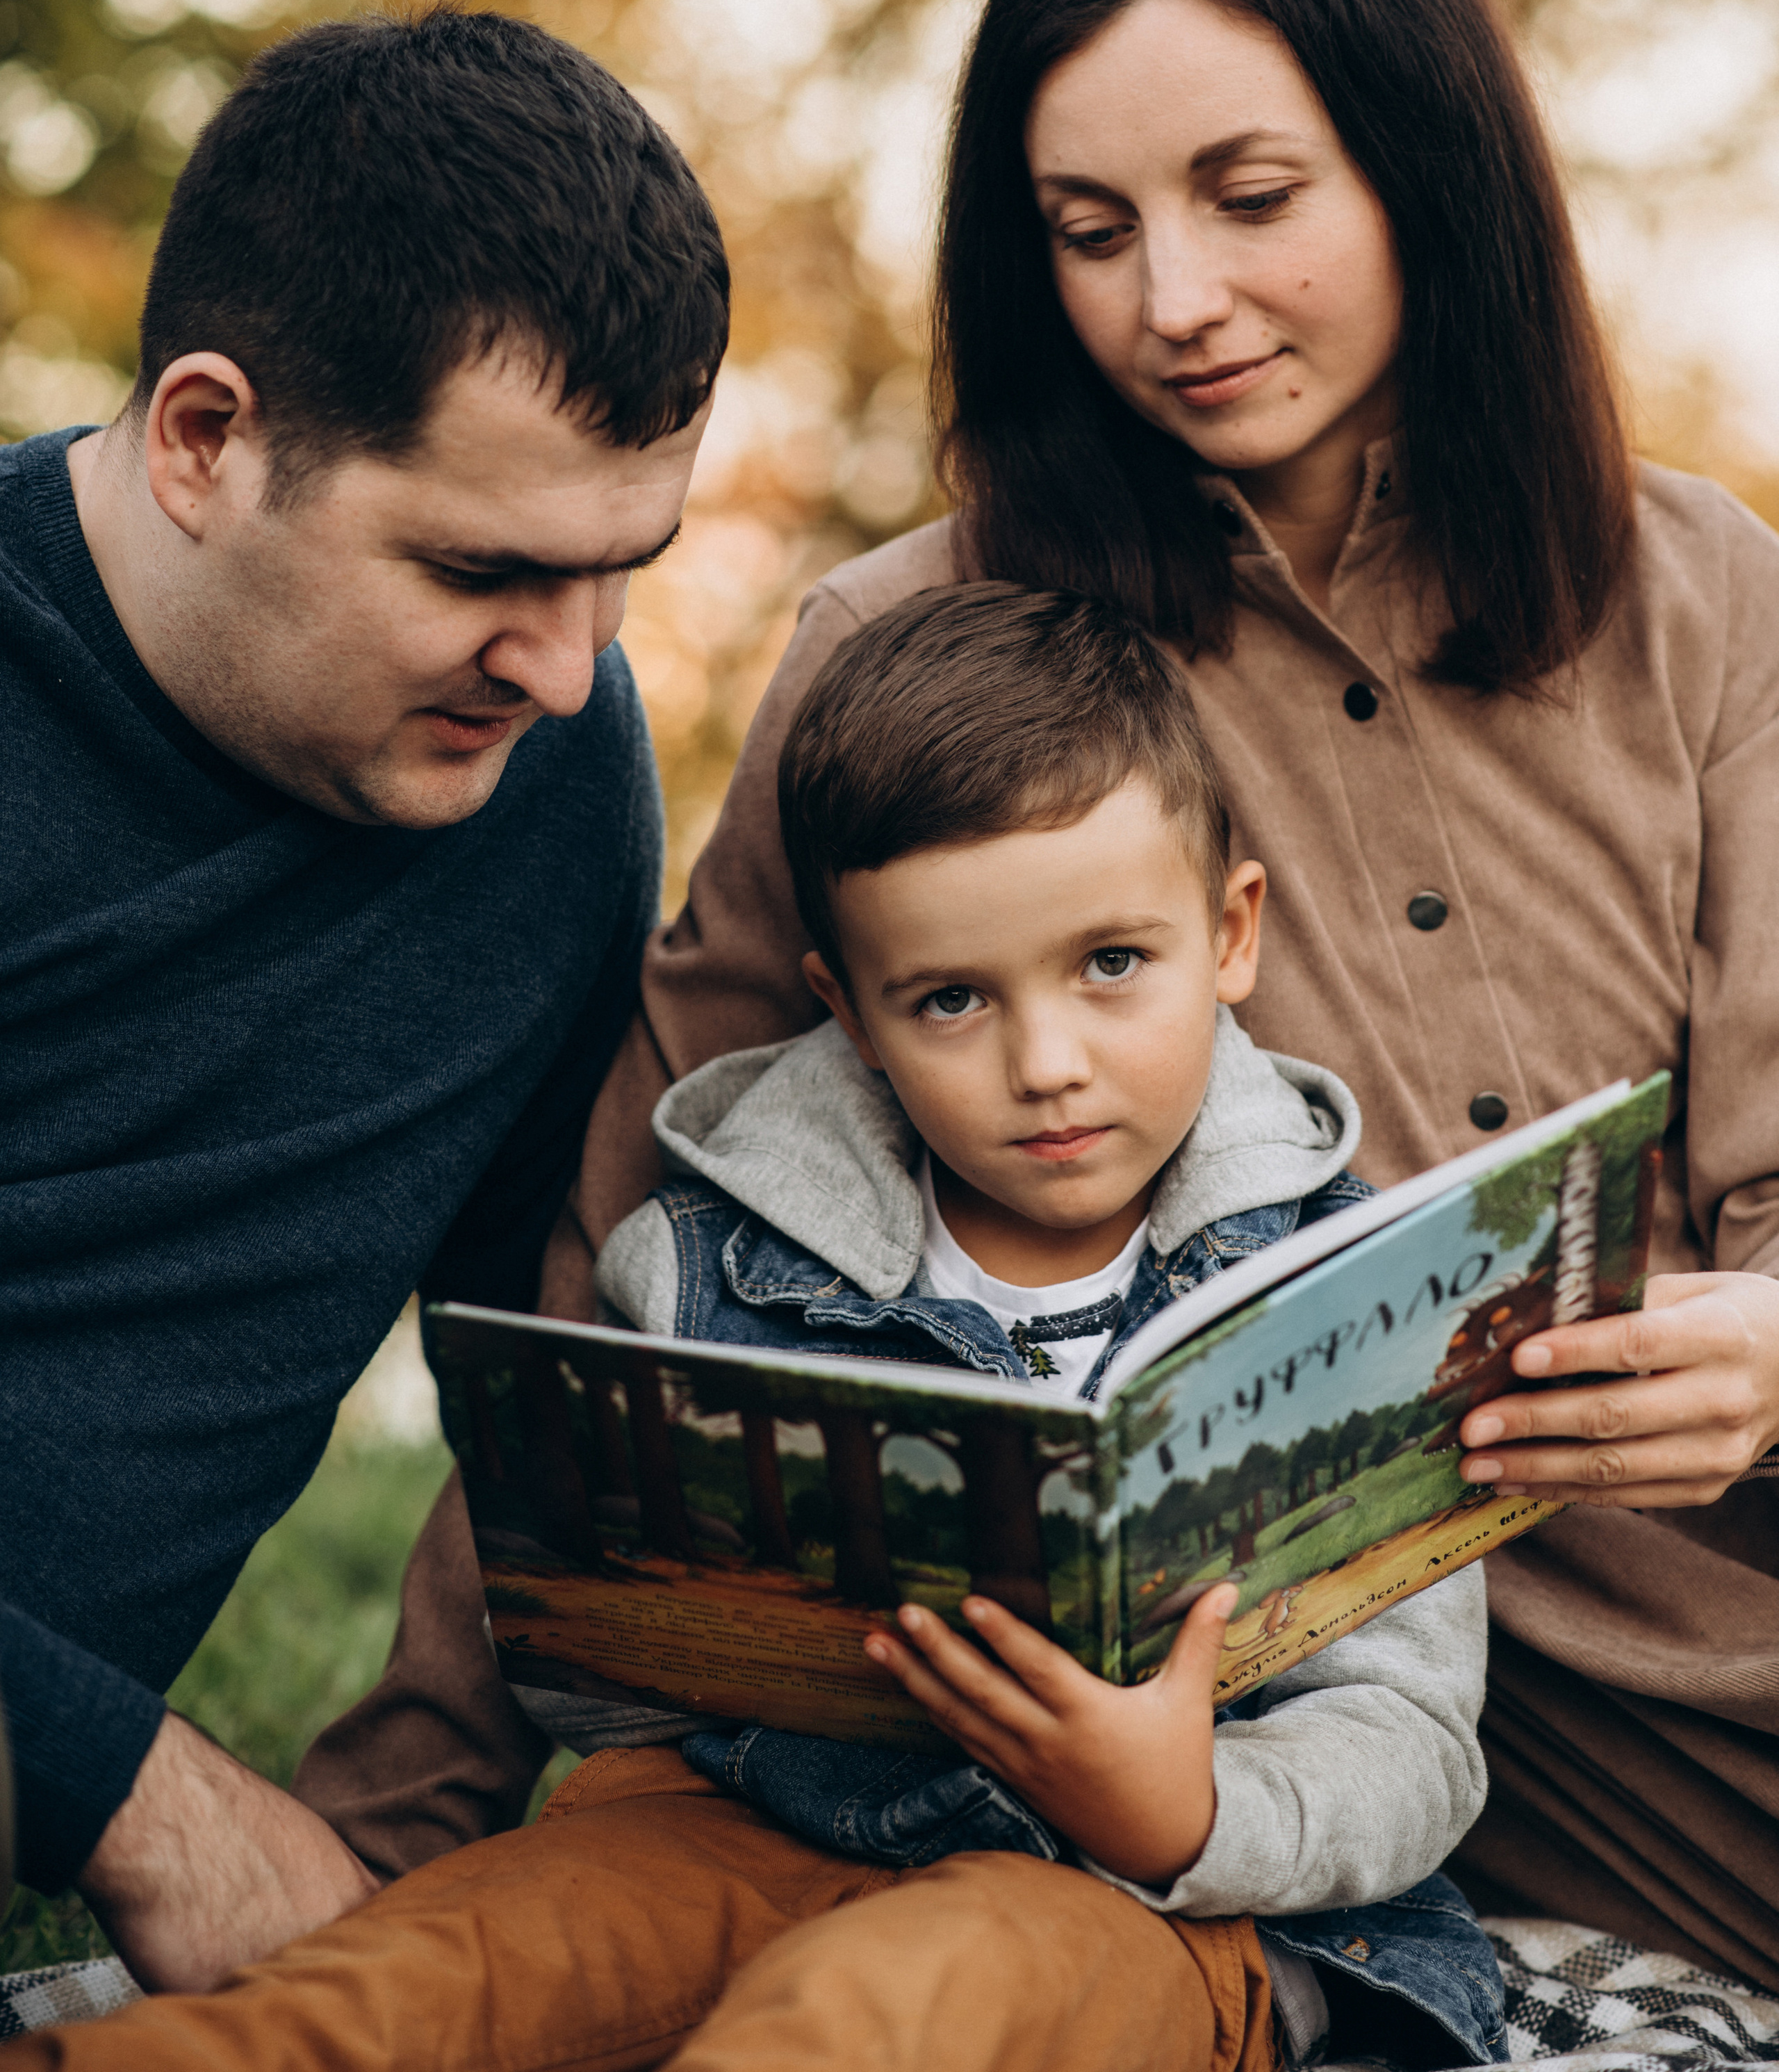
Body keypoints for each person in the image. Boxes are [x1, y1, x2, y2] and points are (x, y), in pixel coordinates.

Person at [304, 0, 1779, 1993]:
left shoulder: (1703, 594)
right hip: (1295, 1720)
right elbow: (628, 1298)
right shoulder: (915, 654)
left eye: (1251, 200)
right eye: (1090, 230)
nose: (1172, 302)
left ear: (1427, 172)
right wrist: (394, 1821)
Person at [0, 582, 1506, 2072]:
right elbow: (582, 1671)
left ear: (1229, 932)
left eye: (1111, 964)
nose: (1046, 1062)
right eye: (948, 1001)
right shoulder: (708, 1267)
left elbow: (1415, 1735)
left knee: (891, 2006)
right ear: (845, 1012)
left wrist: (1184, 1812)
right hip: (741, 1819)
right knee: (419, 1974)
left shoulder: (1355, 1284)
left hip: (1152, 1904)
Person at [0, 4, 726, 1989]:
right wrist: (128, 1792)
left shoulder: (549, 781)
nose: (566, 668)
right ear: (207, 440)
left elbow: (535, 1381)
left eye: (619, 575)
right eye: (482, 566)